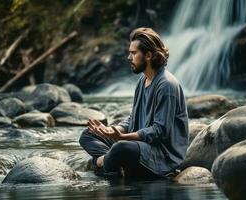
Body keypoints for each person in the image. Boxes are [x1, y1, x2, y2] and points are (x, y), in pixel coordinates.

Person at [79, 27, 189, 178]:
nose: (128, 57)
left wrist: (123, 138)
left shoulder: (166, 85)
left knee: (121, 147)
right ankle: (114, 164)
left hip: (161, 155)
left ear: (148, 55)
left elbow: (159, 131)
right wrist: (112, 130)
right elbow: (133, 118)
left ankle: (101, 163)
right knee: (88, 135)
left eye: (133, 53)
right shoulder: (142, 80)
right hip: (140, 145)